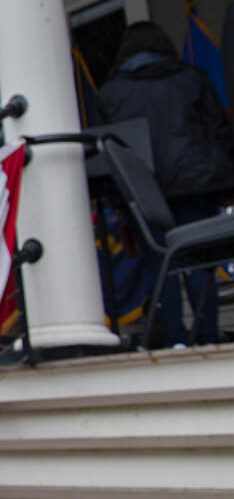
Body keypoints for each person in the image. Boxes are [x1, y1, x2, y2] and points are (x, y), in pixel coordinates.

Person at [98, 21, 234, 346]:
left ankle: (175, 339)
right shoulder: (191, 78)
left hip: (144, 194)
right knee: (201, 260)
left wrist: (119, 204)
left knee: (161, 264)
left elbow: (108, 157)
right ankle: (208, 336)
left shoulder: (111, 94)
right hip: (196, 185)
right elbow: (221, 135)